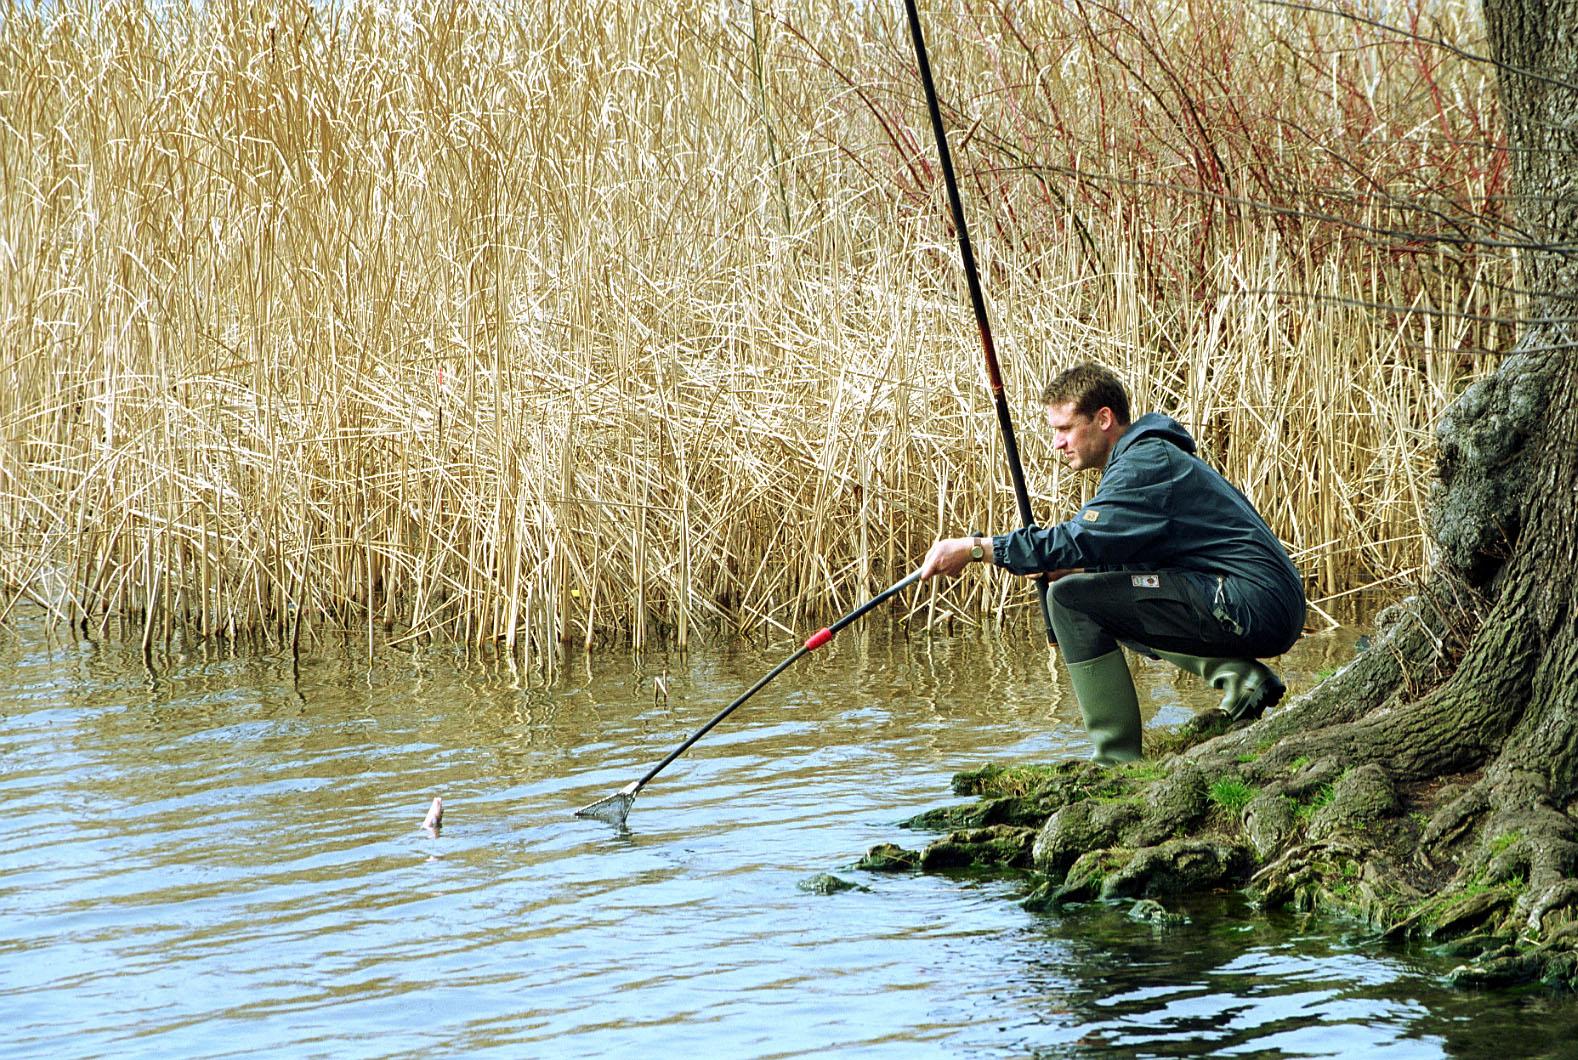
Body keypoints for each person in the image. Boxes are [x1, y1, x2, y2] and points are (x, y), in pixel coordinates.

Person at [919, 361, 1305, 763]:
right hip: (1250, 601)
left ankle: (1116, 761)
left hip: (1253, 604)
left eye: (1065, 429)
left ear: (1103, 418)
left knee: (1070, 599)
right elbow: (1129, 560)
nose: (1057, 443)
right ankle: (1242, 679)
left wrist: (975, 548)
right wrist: (1081, 568)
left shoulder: (1145, 464)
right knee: (1089, 587)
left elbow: (1076, 538)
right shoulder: (1148, 457)